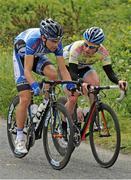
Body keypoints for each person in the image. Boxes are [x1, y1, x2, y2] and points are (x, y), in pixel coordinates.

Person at [13, 18, 75, 154]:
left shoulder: (56, 42)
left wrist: (70, 84)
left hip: (37, 55)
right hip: (22, 56)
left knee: (53, 74)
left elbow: (63, 69)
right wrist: (34, 85)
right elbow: (27, 70)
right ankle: (19, 137)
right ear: (43, 37)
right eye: (53, 41)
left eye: (58, 40)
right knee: (25, 97)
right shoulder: (32, 41)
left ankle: (45, 103)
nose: (56, 44)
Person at [61, 27, 127, 122]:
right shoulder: (76, 49)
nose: (87, 49)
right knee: (73, 97)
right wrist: (82, 83)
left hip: (84, 67)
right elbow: (73, 73)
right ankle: (63, 126)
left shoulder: (103, 52)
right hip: (68, 68)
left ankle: (93, 119)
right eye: (86, 44)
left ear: (98, 47)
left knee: (95, 86)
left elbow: (110, 72)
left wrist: (118, 81)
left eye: (92, 47)